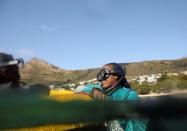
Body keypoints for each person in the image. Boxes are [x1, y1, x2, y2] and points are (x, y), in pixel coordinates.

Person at [76, 63, 148, 131]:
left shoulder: (129, 95)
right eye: (99, 76)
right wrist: (96, 93)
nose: (101, 79)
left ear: (116, 75)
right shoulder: (101, 89)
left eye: (104, 74)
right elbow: (79, 88)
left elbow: (134, 125)